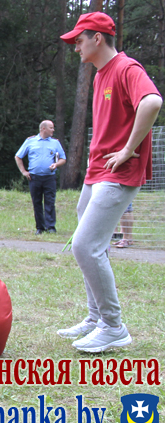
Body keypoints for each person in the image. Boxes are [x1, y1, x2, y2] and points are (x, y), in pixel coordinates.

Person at [57, 12, 162, 352]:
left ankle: (114, 326)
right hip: (98, 172)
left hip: (119, 173)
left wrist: (128, 149)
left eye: (79, 40)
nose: (76, 47)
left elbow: (153, 101)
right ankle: (95, 318)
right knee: (92, 244)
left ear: (97, 38)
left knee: (85, 245)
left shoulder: (127, 68)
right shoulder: (101, 74)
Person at [14, 120, 67, 234]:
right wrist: (24, 172)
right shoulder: (30, 141)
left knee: (50, 202)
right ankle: (40, 228)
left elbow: (63, 158)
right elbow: (18, 156)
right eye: (51, 128)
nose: (53, 130)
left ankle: (50, 227)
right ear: (43, 128)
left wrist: (56, 164)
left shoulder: (55, 143)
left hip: (49, 177)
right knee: (37, 203)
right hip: (34, 178)